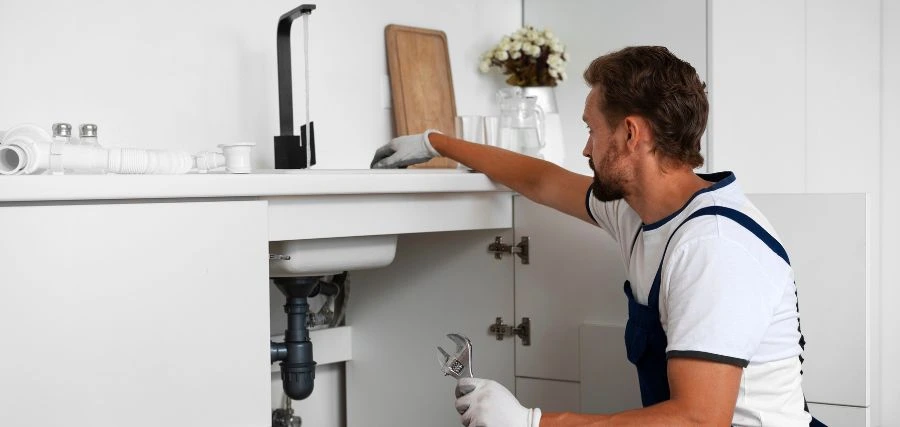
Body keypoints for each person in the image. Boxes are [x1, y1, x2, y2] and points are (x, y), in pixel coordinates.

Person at [371, 46, 823, 427]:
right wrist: (436, 143)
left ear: (630, 133)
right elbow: (539, 179)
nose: (585, 148)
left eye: (591, 129)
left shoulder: (713, 246)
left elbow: (698, 419)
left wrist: (534, 423)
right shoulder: (638, 210)